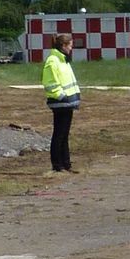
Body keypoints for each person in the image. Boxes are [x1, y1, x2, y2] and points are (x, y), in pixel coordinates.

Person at [41, 30, 82, 173]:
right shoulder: (53, 61)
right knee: (59, 134)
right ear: (63, 45)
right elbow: (49, 82)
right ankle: (57, 165)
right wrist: (62, 96)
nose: (71, 48)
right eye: (70, 45)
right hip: (61, 103)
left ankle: (66, 163)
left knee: (64, 134)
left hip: (68, 102)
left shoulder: (63, 60)